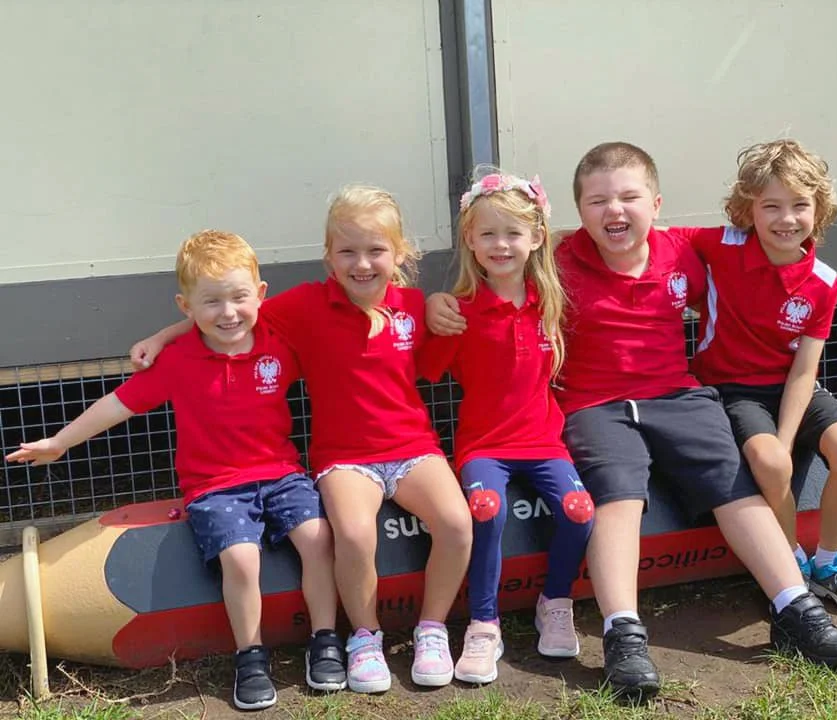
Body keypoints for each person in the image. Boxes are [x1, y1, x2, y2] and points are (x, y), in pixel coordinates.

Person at [427, 143, 837, 699]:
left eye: (630, 197)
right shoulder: (554, 261)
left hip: (679, 396)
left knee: (735, 487)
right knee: (618, 497)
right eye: (598, 200)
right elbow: (495, 267)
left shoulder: (687, 249)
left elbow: (774, 247)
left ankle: (795, 607)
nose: (616, 211)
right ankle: (623, 634)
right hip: (593, 406)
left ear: (656, 204)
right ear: (577, 211)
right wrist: (438, 302)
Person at [129, 187, 473, 694]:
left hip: (414, 448)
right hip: (345, 459)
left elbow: (430, 363)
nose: (361, 263)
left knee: (458, 523)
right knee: (353, 535)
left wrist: (442, 310)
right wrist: (163, 336)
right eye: (347, 251)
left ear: (398, 254)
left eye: (376, 250)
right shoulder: (304, 305)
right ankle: (364, 637)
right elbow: (228, 311)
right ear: (328, 255)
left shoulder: (414, 306)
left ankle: (432, 629)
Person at [7, 230, 343, 711]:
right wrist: (59, 442)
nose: (227, 313)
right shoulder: (179, 361)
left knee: (317, 537)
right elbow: (117, 404)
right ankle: (250, 656)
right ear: (185, 306)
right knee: (241, 559)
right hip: (215, 486)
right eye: (211, 302)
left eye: (238, 298)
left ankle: (326, 639)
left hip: (282, 474)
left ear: (260, 296)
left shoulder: (279, 338)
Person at [686, 139, 837, 618]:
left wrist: (787, 436)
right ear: (747, 209)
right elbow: (649, 239)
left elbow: (804, 369)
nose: (785, 219)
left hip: (790, 386)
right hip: (731, 390)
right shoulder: (718, 245)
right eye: (770, 206)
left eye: (799, 205)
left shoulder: (823, 279)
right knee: (770, 463)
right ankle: (790, 560)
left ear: (818, 210)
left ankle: (831, 560)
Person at [418, 170, 594, 684]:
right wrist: (432, 312)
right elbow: (424, 368)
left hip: (544, 443)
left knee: (580, 512)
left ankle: (555, 601)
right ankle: (484, 622)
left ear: (537, 237)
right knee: (486, 510)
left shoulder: (552, 306)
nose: (501, 245)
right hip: (483, 447)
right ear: (469, 241)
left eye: (514, 234)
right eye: (488, 234)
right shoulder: (461, 312)